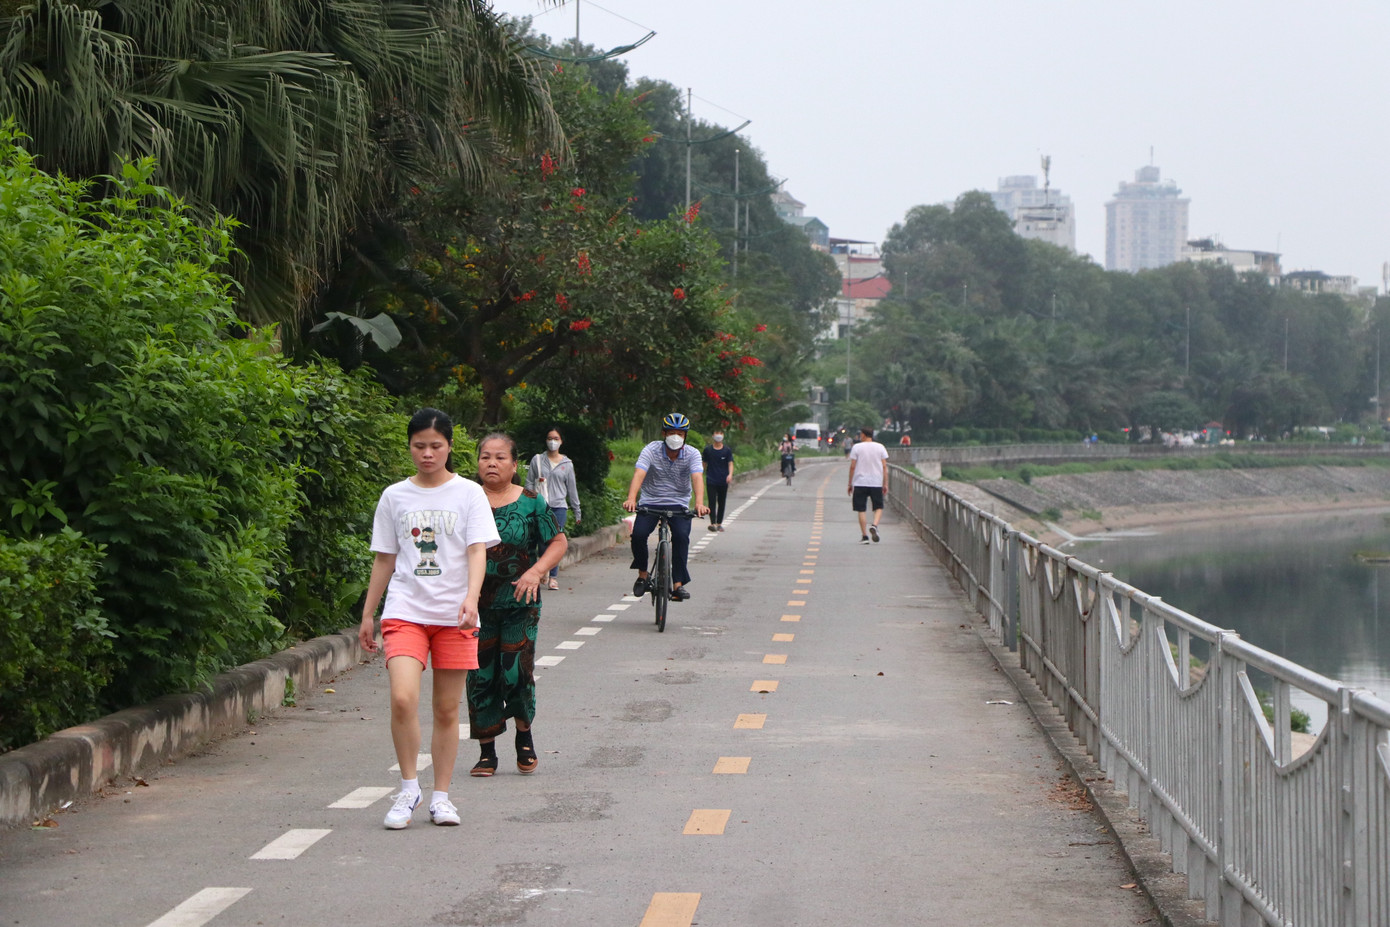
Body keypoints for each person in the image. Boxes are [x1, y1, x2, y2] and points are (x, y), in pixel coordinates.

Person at [360, 408, 500, 829]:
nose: (427, 453)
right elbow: (385, 557)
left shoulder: (469, 494)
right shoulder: (395, 496)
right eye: (419, 445)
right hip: (405, 611)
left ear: (450, 447)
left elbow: (478, 549)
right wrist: (368, 612)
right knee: (403, 697)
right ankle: (408, 789)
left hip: (455, 615)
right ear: (409, 447)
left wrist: (472, 599)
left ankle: (441, 796)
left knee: (445, 710)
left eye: (435, 446)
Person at [468, 433, 568, 777]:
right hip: (473, 606)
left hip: (519, 603)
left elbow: (557, 541)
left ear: (514, 464)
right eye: (485, 457)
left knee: (515, 672)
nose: (491, 463)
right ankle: (487, 750)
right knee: (480, 675)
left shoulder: (531, 502)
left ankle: (524, 735)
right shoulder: (466, 500)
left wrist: (537, 571)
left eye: (499, 457)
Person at [622, 412, 709, 601]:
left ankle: (677, 584)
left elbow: (697, 478)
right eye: (671, 432)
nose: (676, 437)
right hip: (650, 502)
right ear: (664, 434)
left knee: (681, 537)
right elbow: (639, 473)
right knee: (638, 535)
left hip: (678, 503)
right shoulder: (651, 450)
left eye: (680, 433)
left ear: (685, 435)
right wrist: (631, 498)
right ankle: (643, 575)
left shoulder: (692, 454)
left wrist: (700, 503)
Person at [525, 426, 581, 590]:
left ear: (561, 441)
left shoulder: (567, 464)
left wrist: (577, 510)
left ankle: (553, 577)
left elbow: (572, 489)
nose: (552, 442)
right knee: (542, 541)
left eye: (556, 439)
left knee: (555, 541)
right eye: (550, 438)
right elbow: (529, 482)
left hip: (559, 508)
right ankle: (544, 570)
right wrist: (528, 502)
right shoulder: (537, 460)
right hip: (541, 505)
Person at [847, 425, 889, 544]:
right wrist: (885, 483)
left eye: (861, 434)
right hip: (876, 482)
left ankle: (865, 536)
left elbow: (852, 467)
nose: (860, 436)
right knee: (878, 507)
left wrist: (850, 483)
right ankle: (874, 525)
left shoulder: (857, 447)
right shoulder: (880, 447)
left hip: (860, 482)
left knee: (861, 509)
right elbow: (884, 466)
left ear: (864, 435)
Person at [702, 429, 735, 532]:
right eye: (717, 433)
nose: (718, 435)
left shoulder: (727, 450)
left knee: (721, 502)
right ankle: (713, 523)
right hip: (711, 479)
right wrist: (699, 475)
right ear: (713, 435)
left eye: (720, 433)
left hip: (723, 480)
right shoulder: (708, 450)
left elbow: (730, 463)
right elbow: (704, 463)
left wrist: (730, 474)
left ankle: (719, 523)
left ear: (723, 436)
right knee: (711, 501)